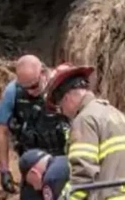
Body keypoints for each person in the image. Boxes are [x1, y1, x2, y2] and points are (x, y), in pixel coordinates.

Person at [45, 63, 125, 200]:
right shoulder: (116, 114)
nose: (63, 113)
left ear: (67, 98)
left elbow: (82, 177)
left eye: (60, 108)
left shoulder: (84, 120)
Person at [0, 55, 70, 198]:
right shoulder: (12, 92)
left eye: (34, 86)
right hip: (33, 165)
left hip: (62, 162)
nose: (31, 92)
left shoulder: (62, 87)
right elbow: (1, 131)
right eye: (26, 88)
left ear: (43, 72)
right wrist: (4, 170)